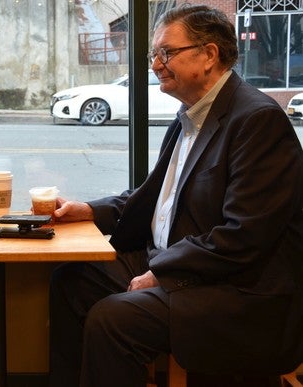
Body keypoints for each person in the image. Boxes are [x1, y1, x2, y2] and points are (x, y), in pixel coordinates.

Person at [49, 5, 303, 387]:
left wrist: (164, 273)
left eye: (166, 52)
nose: (155, 64)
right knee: (72, 280)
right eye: (154, 54)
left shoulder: (257, 120)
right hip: (174, 259)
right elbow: (157, 197)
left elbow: (244, 235)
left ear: (209, 55)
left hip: (234, 287)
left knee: (113, 319)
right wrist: (87, 209)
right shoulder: (191, 114)